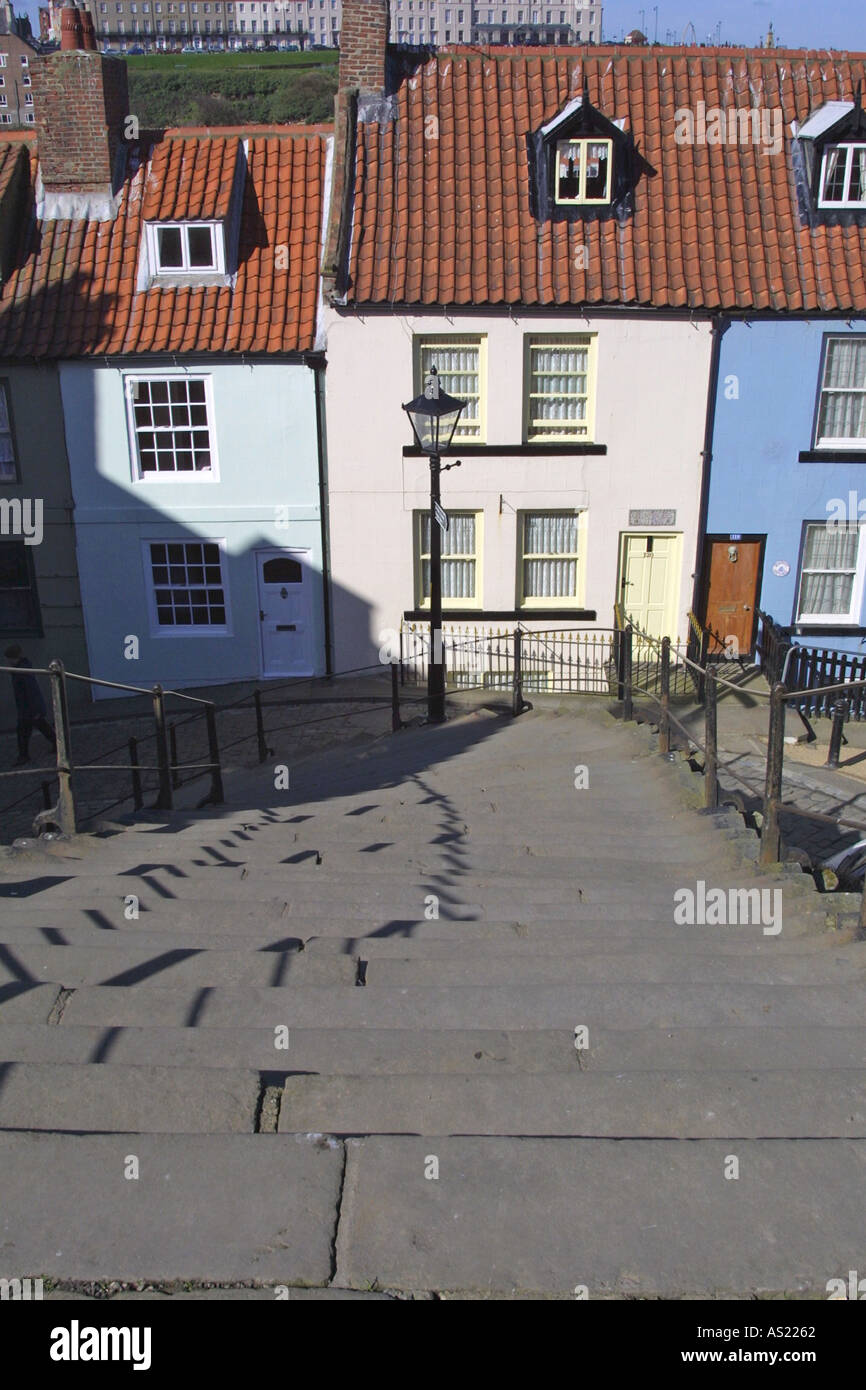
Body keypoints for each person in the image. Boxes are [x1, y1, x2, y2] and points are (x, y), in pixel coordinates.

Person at [4, 644, 57, 767]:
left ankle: (23, 755)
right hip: (29, 707)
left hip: (28, 708)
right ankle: (56, 745)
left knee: (23, 732)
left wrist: (35, 710)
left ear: (14, 658)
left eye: (9, 659)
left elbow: (31, 690)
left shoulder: (22, 671)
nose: (8, 662)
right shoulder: (21, 669)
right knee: (42, 727)